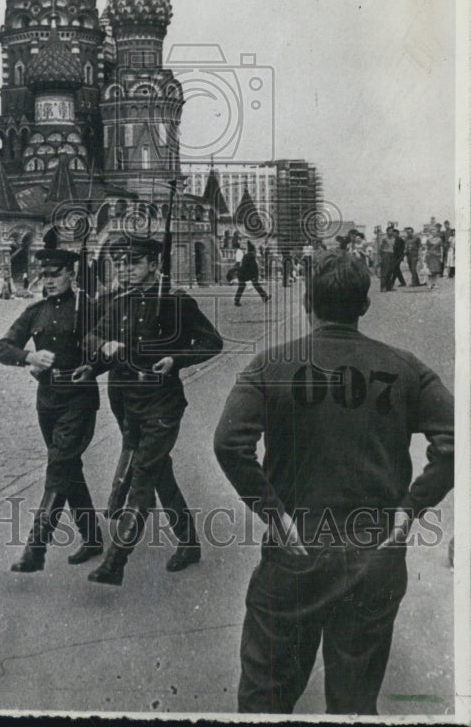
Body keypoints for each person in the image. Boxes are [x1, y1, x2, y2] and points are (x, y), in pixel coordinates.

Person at [214, 250, 454, 715]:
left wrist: (273, 513)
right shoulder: (406, 367)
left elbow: (229, 443)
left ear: (308, 301)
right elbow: (455, 439)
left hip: (296, 546)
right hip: (375, 550)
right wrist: (411, 508)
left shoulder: (270, 364)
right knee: (355, 701)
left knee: (266, 695)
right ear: (364, 305)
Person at [78, 236, 223, 586]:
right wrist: (99, 357)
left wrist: (175, 359)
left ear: (155, 265)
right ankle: (189, 542)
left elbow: (212, 342)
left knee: (144, 475)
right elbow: (91, 338)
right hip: (128, 402)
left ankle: (115, 562)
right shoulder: (120, 302)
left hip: (162, 402)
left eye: (134, 263)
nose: (125, 269)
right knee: (158, 472)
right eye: (121, 263)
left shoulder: (175, 301)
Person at [0, 247, 102, 572]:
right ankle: (92, 536)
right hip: (48, 401)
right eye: (45, 275)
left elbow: (108, 348)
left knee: (58, 467)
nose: (49, 281)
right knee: (68, 467)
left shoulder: (89, 308)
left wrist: (94, 362)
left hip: (79, 398)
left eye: (56, 275)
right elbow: (2, 348)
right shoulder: (35, 311)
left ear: (71, 274)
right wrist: (29, 356)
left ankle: (35, 548)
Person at [233, 242, 271, 306]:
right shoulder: (251, 256)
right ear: (253, 250)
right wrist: (254, 276)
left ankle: (264, 297)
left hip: (243, 273)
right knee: (252, 286)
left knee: (244, 287)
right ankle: (264, 297)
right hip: (246, 274)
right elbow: (253, 267)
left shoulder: (246, 256)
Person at [424, 223, 443, 289]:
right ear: (431, 233)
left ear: (437, 232)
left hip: (437, 256)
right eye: (432, 232)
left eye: (435, 232)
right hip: (430, 256)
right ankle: (430, 283)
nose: (433, 233)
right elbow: (426, 248)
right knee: (430, 271)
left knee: (436, 271)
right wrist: (424, 256)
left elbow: (441, 248)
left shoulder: (439, 240)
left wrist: (441, 257)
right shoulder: (428, 240)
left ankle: (435, 283)